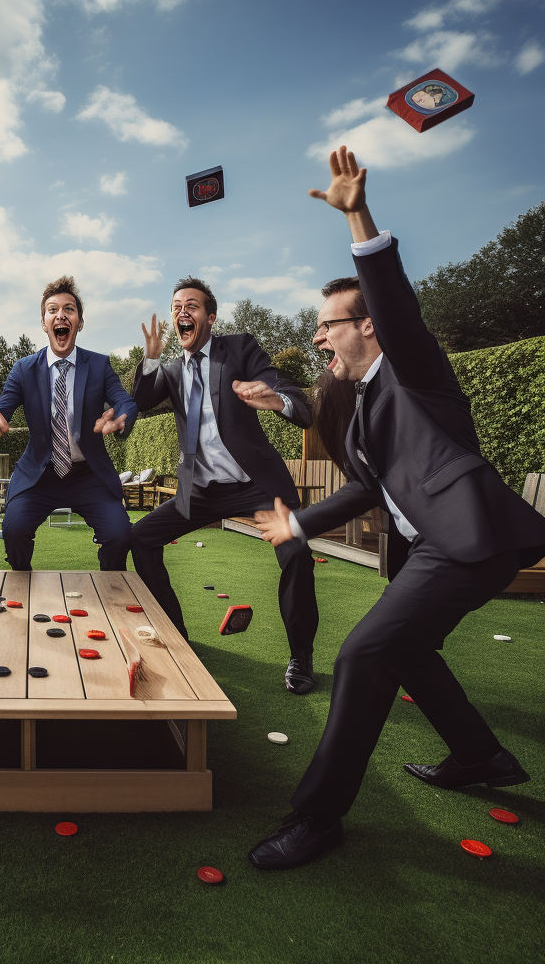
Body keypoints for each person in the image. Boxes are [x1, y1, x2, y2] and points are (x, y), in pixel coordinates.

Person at [247, 146, 545, 870]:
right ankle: (479, 754)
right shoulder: (359, 413)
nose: (318, 335)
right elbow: (364, 489)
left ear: (370, 324)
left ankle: (318, 817)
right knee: (407, 650)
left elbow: (396, 302)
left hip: (466, 542)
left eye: (330, 324)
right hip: (434, 552)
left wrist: (358, 216)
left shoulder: (414, 370)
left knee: (364, 653)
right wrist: (299, 522)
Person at [129, 280, 318, 687]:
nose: (183, 312)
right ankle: (177, 634)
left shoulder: (239, 349)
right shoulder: (172, 369)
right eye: (177, 306)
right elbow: (142, 400)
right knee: (141, 538)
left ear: (210, 316)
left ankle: (301, 657)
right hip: (201, 490)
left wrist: (276, 398)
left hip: (256, 485)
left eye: (192, 306)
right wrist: (149, 359)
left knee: (296, 554)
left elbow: (288, 393)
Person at [0, 277, 138, 572]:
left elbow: (123, 400)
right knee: (14, 530)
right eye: (52, 310)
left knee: (119, 534)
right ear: (43, 322)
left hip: (88, 474)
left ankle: (112, 581)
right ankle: (21, 579)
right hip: (40, 474)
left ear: (79, 321)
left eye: (69, 309)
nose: (61, 315)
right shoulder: (24, 369)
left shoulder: (99, 365)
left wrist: (121, 416)